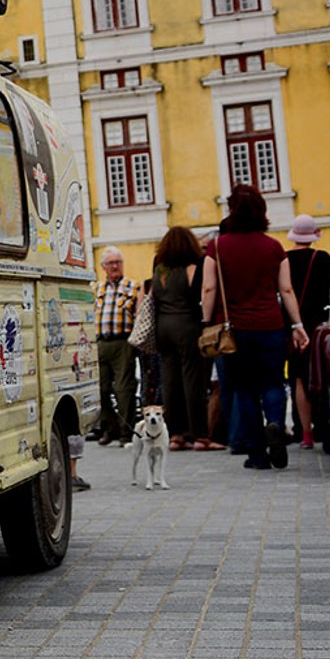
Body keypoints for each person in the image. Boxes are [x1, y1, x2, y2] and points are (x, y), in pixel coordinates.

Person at [200, 185, 307, 471]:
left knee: (244, 390)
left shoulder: (217, 247)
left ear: (231, 210)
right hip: (271, 326)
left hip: (235, 330)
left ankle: (257, 454)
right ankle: (275, 424)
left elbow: (209, 288)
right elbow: (286, 289)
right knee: (273, 383)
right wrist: (297, 324)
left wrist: (205, 322)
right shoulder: (274, 247)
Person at [149, 226, 211, 450]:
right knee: (193, 381)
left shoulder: (159, 268)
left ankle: (175, 434)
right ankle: (199, 435)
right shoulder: (193, 267)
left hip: (162, 328)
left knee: (170, 381)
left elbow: (152, 298)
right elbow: (198, 296)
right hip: (186, 326)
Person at [283, 214, 330, 449]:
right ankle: (324, 427)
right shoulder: (322, 259)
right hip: (318, 324)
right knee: (321, 376)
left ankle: (305, 434)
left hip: (293, 325)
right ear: (314, 235)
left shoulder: (283, 259)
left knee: (299, 379)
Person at [93, 247, 140, 446]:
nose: (115, 266)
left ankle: (125, 432)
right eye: (111, 263)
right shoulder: (96, 288)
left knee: (124, 389)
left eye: (118, 262)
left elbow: (139, 315)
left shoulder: (133, 287)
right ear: (103, 267)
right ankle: (108, 427)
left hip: (123, 342)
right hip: (101, 342)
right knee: (101, 389)